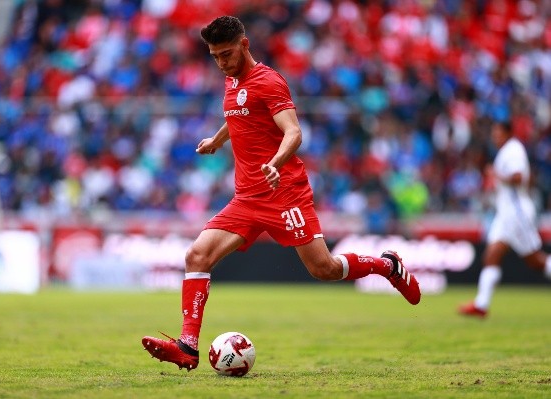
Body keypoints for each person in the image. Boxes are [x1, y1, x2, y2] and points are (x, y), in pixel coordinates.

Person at [142, 16, 421, 371]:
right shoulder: (232, 81)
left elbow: (293, 132)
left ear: (244, 45)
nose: (222, 63)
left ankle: (387, 265)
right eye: (214, 56)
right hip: (247, 198)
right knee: (197, 256)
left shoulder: (269, 81)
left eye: (227, 54)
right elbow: (241, 114)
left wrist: (275, 162)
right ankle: (188, 346)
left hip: (285, 193)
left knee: (325, 269)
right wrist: (217, 139)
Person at [458, 121, 551, 318]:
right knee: (491, 255)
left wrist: (496, 175)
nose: (494, 136)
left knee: (535, 261)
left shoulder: (513, 150)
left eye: (498, 133)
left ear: (508, 133)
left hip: (517, 214)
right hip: (505, 214)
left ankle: (481, 304)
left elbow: (519, 178)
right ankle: (481, 305)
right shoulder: (506, 151)